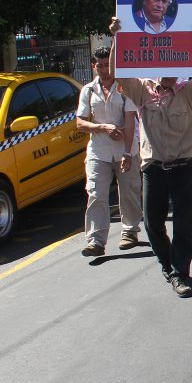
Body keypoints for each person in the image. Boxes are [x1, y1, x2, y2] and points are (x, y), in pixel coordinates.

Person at [109, 16, 192, 298]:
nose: (169, 73)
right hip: (153, 169)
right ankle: (167, 264)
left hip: (183, 169)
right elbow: (117, 74)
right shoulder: (142, 91)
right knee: (152, 223)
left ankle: (180, 273)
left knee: (184, 224)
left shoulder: (187, 92)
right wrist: (116, 38)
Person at [76, 46, 142, 256]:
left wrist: (127, 153)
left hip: (125, 149)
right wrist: (103, 128)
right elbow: (80, 123)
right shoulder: (88, 90)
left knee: (129, 191)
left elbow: (130, 121)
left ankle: (130, 231)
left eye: (107, 65)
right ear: (93, 66)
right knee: (96, 193)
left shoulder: (125, 88)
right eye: (100, 66)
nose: (104, 70)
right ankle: (96, 241)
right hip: (99, 151)